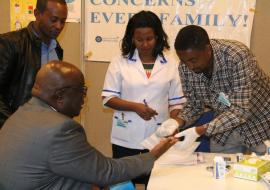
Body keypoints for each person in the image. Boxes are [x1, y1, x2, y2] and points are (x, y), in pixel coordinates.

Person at [0, 61, 178, 190]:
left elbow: (89, 164)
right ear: (60, 96)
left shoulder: (21, 113)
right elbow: (108, 171)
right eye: (82, 91)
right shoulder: (60, 129)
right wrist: (153, 155)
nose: (84, 99)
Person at [101, 10, 185, 187]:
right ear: (131, 38)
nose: (145, 44)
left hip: (158, 135)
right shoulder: (120, 62)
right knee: (123, 182)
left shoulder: (171, 64)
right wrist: (136, 107)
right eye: (139, 40)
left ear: (158, 37)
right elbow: (107, 98)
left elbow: (176, 102)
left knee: (156, 181)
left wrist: (175, 121)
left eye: (150, 39)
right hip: (125, 134)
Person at [162, 25, 270, 154]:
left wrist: (199, 130)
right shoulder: (185, 67)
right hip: (223, 125)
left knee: (264, 171)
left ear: (208, 49)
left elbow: (240, 110)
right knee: (219, 169)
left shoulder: (236, 56)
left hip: (260, 121)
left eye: (193, 60)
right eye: (184, 61)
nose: (189, 66)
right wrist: (177, 122)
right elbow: (194, 105)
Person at [0, 0, 68, 128]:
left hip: (43, 128)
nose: (59, 26)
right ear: (37, 14)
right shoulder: (11, 44)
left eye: (63, 21)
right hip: (15, 131)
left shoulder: (57, 50)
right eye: (54, 20)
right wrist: (14, 125)